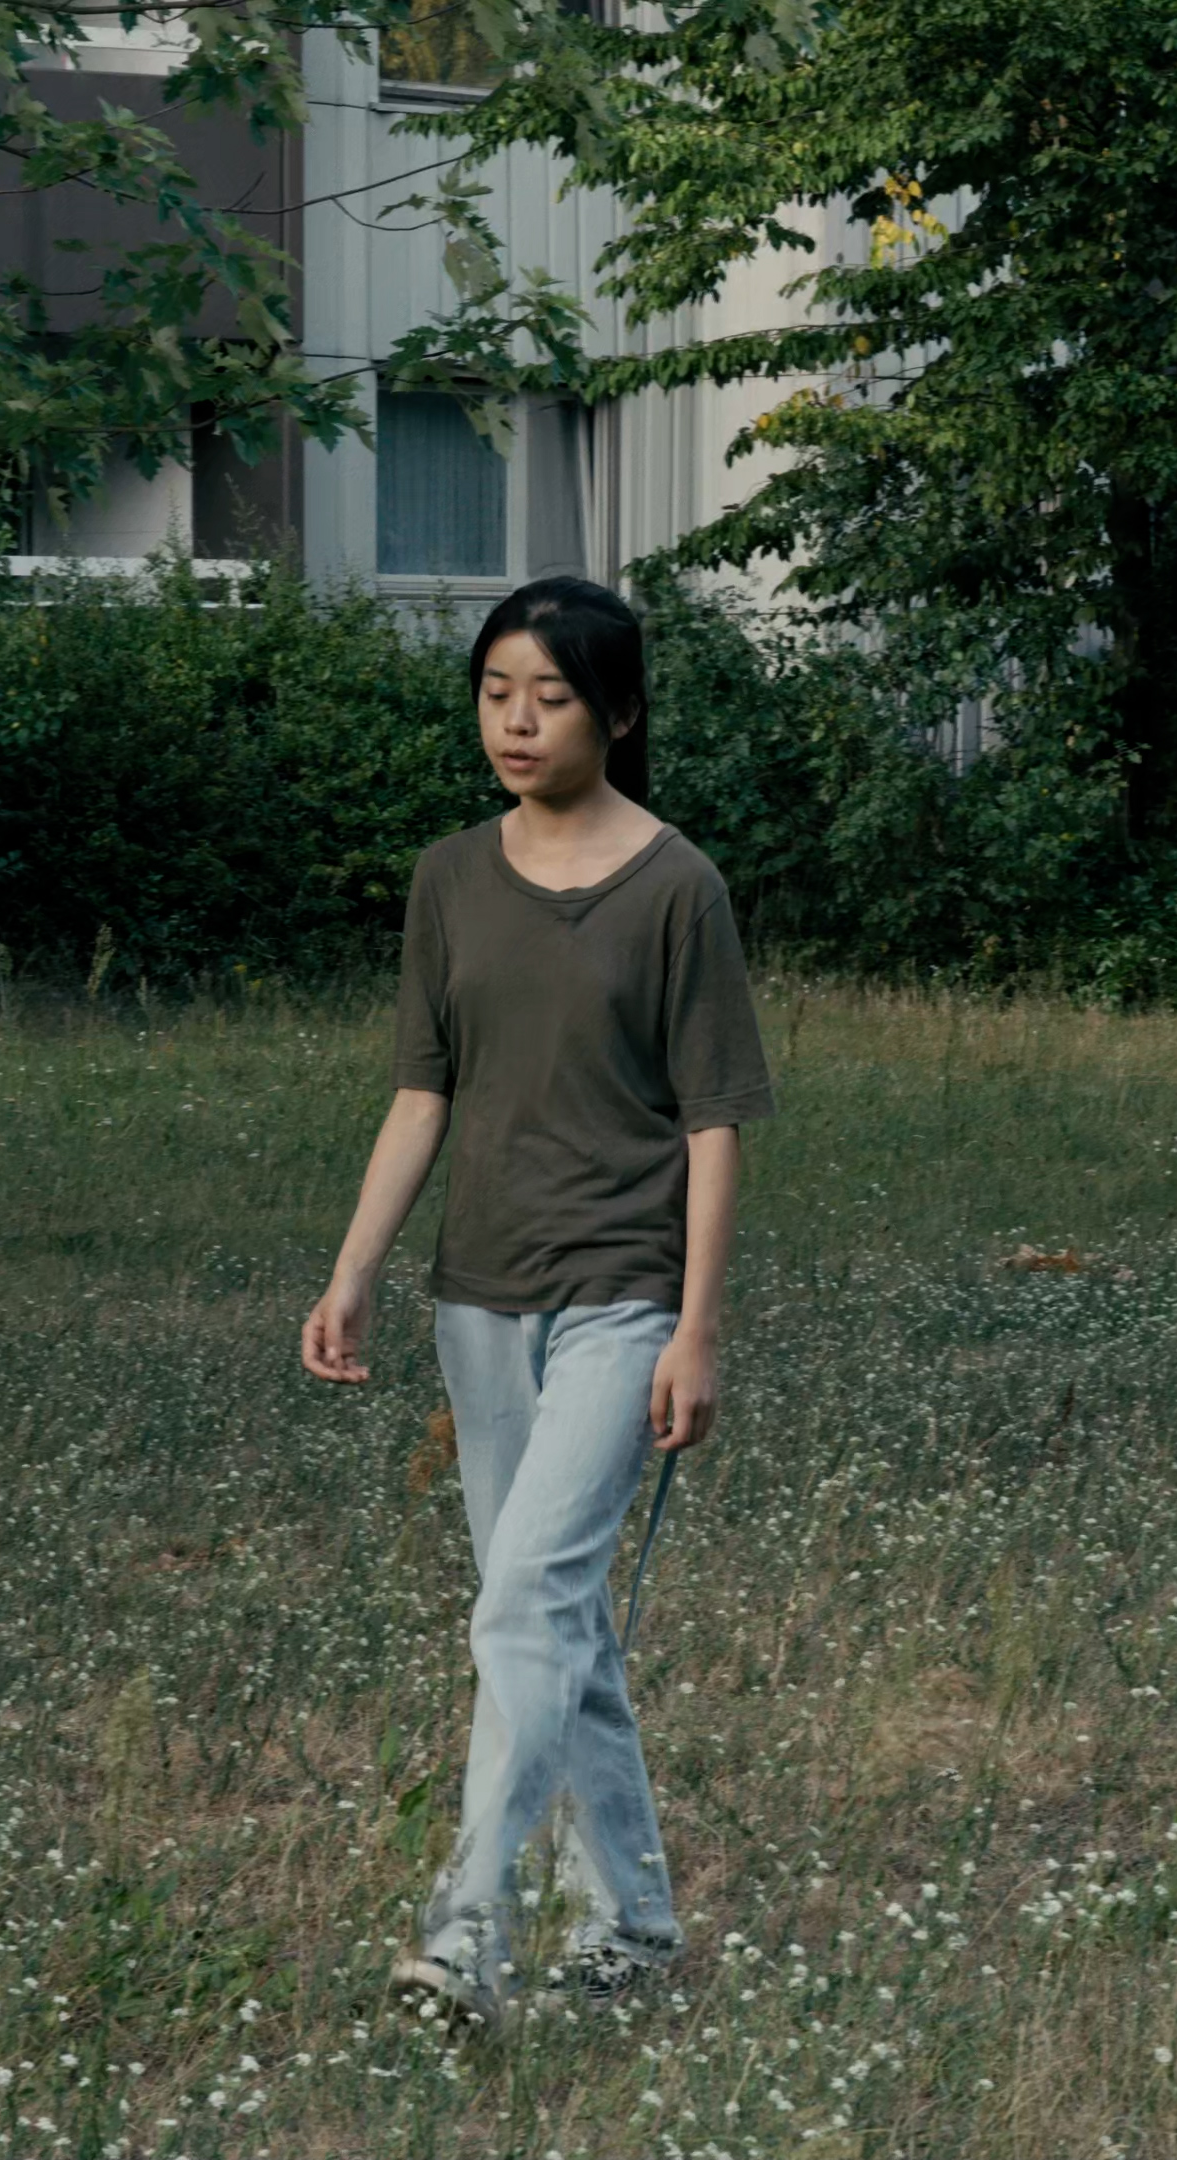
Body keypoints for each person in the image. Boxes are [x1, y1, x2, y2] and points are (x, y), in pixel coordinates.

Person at [299, 575, 775, 2032]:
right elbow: (421, 1092)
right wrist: (356, 1267)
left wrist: (697, 1329)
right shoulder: (449, 879)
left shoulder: (679, 887)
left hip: (623, 1295)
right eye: (496, 691)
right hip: (480, 1299)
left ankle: (464, 1935)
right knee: (555, 1619)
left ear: (616, 714)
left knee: (522, 1604)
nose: (516, 720)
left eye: (550, 696)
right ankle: (634, 1928)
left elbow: (714, 1121)